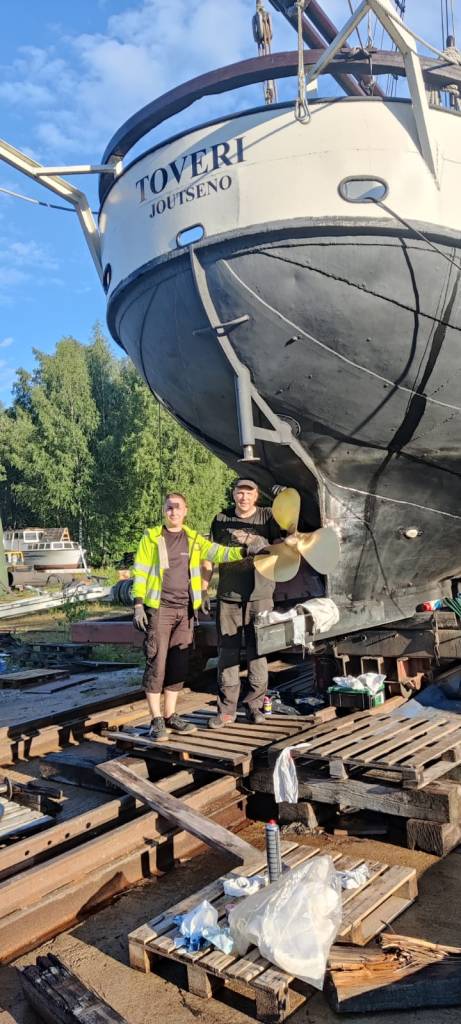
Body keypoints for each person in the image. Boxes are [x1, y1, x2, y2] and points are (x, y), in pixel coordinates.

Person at [132, 492, 266, 741]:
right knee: (156, 663)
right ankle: (156, 720)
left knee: (178, 664)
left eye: (178, 507)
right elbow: (140, 572)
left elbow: (218, 553)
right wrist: (139, 605)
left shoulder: (193, 540)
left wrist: (245, 551)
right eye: (169, 508)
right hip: (160, 609)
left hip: (185, 610)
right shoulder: (151, 538)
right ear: (164, 511)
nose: (173, 512)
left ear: (186, 511)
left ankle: (170, 715)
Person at [202, 478, 281, 729]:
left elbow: (283, 547)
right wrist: (203, 590)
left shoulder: (268, 517)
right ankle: (227, 711)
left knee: (259, 652)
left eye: (249, 492)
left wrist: (261, 544)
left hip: (261, 594)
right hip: (228, 597)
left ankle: (254, 707)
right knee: (227, 653)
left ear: (256, 495)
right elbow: (209, 556)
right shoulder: (221, 519)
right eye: (240, 492)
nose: (244, 497)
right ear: (233, 493)